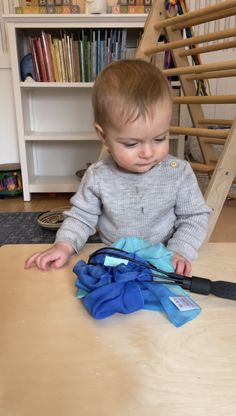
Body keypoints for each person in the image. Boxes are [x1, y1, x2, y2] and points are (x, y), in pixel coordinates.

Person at [25, 59, 211, 275]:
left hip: (164, 260)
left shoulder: (179, 172)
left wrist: (180, 250)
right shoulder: (97, 176)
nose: (148, 153)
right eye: (132, 144)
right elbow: (81, 217)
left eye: (160, 138)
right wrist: (64, 245)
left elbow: (194, 217)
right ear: (103, 135)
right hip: (116, 261)